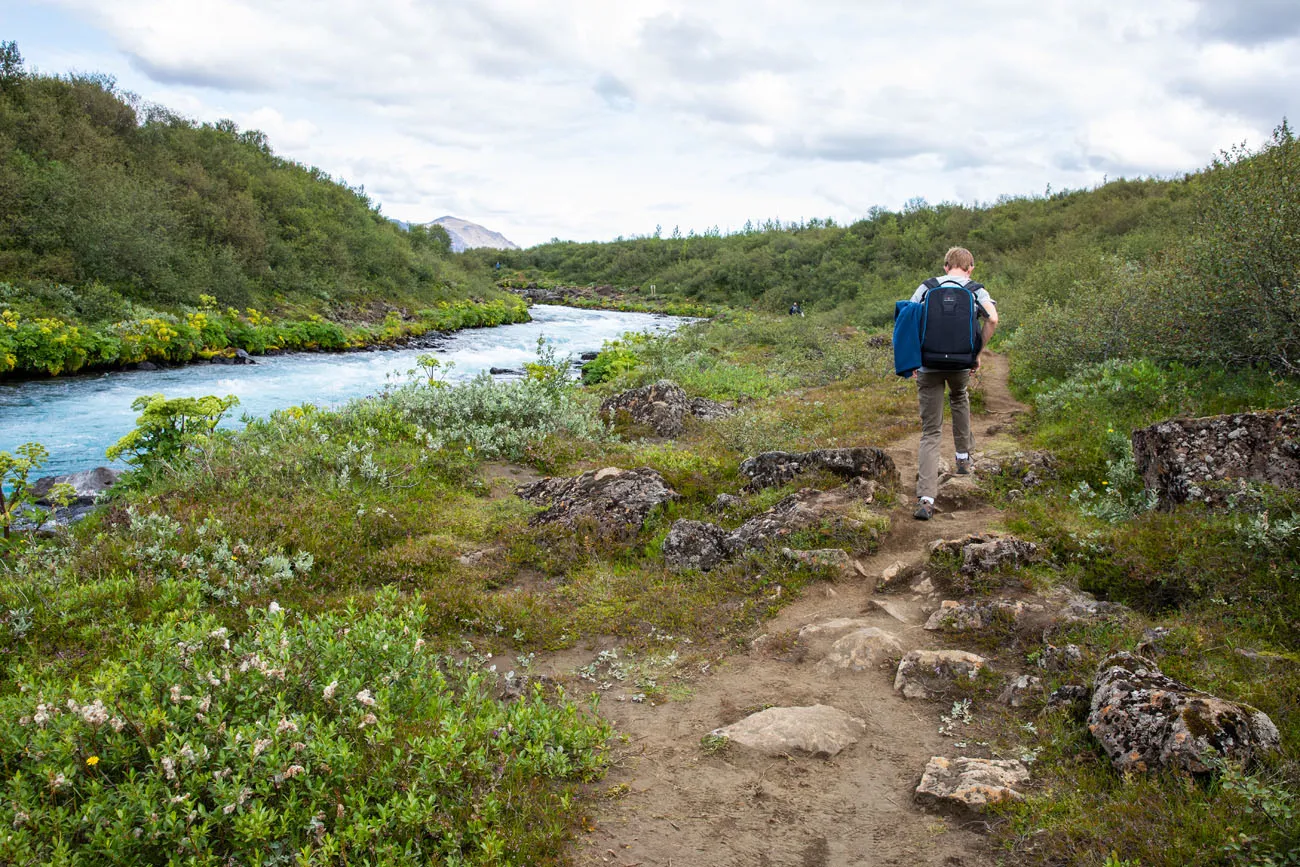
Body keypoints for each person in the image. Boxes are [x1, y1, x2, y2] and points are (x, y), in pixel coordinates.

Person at [908, 247, 997, 520]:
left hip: (928, 364)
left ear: (946, 266)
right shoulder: (975, 290)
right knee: (959, 398)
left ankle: (926, 499)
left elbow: (908, 321)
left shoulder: (926, 287)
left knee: (931, 432)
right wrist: (977, 354)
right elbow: (992, 318)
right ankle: (962, 461)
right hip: (960, 364)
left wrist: (911, 360)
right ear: (970, 268)